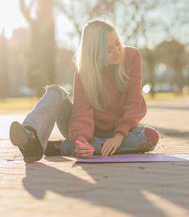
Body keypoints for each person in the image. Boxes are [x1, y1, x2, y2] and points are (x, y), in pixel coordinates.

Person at [10, 20, 159, 163]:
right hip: (86, 130)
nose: (117, 52)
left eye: (117, 43)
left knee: (150, 136)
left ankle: (65, 147)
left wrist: (119, 136)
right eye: (108, 50)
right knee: (55, 92)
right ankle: (31, 137)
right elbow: (82, 112)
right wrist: (81, 141)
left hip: (120, 132)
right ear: (95, 53)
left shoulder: (132, 56)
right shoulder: (85, 71)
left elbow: (133, 103)